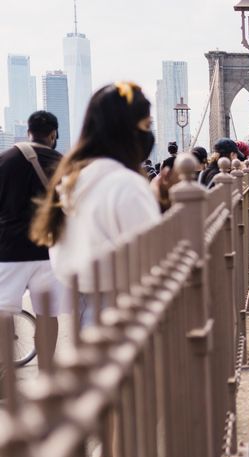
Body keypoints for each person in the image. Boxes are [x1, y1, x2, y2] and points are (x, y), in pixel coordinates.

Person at [30, 82, 161, 319]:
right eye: (147, 125)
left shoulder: (70, 180)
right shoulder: (127, 185)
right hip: (127, 309)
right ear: (127, 131)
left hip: (82, 308)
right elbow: (153, 259)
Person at [0, 110, 64, 371]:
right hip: (48, 251)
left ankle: (4, 374)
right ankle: (47, 375)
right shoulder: (61, 162)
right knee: (48, 315)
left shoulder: (5, 160)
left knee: (4, 313)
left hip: (9, 251)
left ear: (28, 132)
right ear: (53, 134)